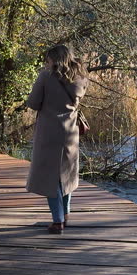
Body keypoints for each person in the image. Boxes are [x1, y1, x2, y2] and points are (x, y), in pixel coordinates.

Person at [24, 45, 88, 234]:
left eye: (48, 59)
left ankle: (57, 221)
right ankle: (65, 215)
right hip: (70, 131)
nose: (47, 63)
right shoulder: (81, 77)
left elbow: (33, 102)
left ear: (54, 59)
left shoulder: (46, 76)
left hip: (49, 131)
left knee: (51, 177)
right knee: (66, 174)